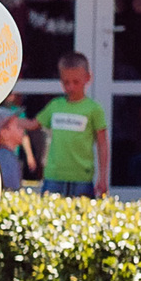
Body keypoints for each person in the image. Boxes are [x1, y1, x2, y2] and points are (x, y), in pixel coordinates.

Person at [36, 53, 108, 197]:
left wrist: (103, 177)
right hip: (53, 177)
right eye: (66, 82)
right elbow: (34, 124)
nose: (71, 87)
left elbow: (102, 144)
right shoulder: (55, 106)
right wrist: (9, 120)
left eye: (76, 82)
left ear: (87, 78)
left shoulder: (94, 109)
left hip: (82, 178)